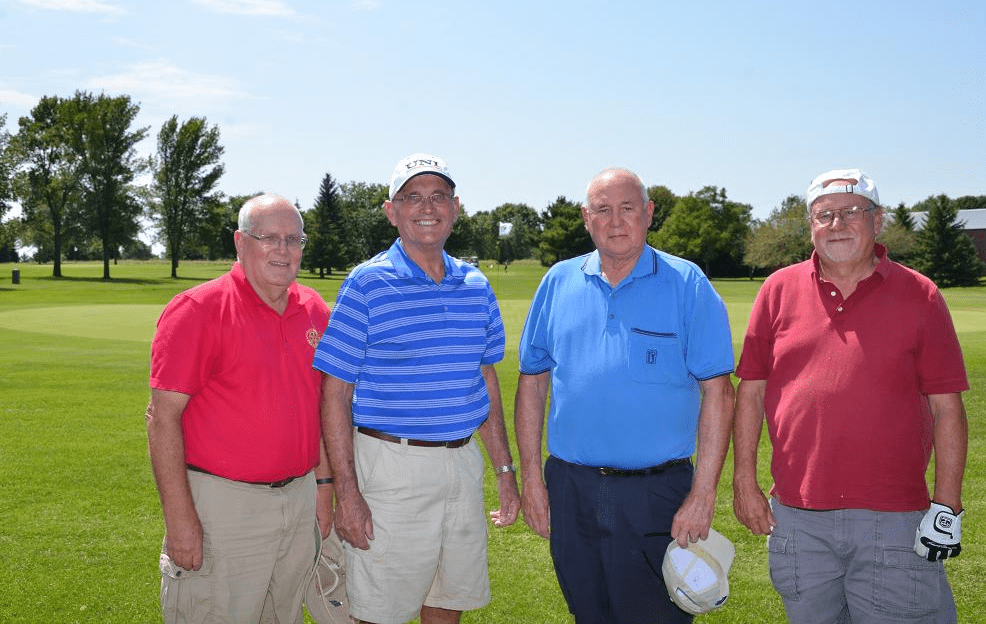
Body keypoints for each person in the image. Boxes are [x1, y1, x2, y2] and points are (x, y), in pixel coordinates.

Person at [732, 169, 969, 624]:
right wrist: (744, 480)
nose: (836, 225)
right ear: (811, 226)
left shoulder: (921, 295)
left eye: (850, 213)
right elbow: (752, 393)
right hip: (798, 519)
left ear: (877, 221)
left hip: (894, 517)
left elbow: (947, 409)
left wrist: (947, 503)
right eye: (824, 216)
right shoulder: (777, 290)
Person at [514, 167, 735, 623]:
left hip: (658, 493)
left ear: (649, 213)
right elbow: (533, 382)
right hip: (571, 487)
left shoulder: (687, 283)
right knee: (588, 614)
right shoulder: (557, 281)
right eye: (603, 209)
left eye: (627, 208)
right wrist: (534, 480)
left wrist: (703, 494)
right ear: (586, 217)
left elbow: (718, 392)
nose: (615, 221)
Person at [314, 153, 520, 624]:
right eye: (412, 197)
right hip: (391, 469)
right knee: (378, 613)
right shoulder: (366, 284)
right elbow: (335, 393)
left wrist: (504, 470)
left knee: (448, 604)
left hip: (462, 465)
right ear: (392, 211)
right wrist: (348, 492)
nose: (427, 207)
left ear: (455, 207)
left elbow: (484, 379)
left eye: (438, 196)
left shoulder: (476, 284)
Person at [147, 194, 339, 623]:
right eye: (268, 238)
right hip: (223, 506)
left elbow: (321, 409)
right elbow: (162, 419)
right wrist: (181, 521)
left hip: (299, 497)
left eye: (294, 239)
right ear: (240, 242)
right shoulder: (198, 309)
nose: (283, 250)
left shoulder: (314, 309)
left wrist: (324, 488)